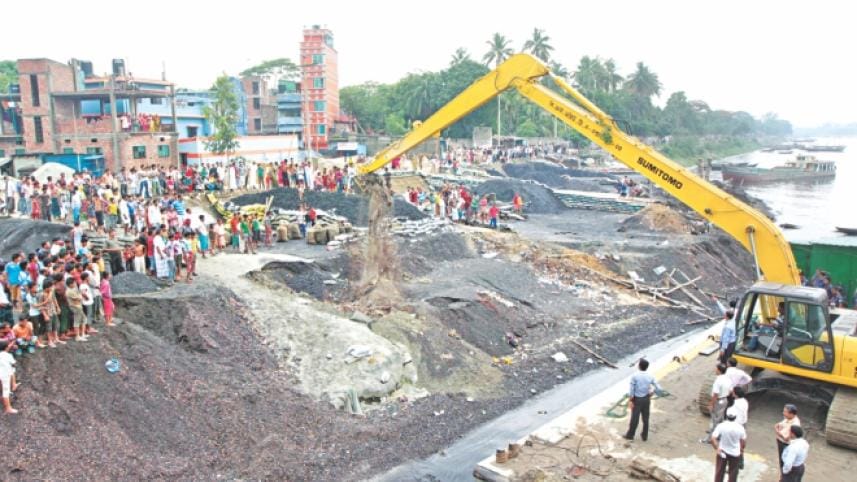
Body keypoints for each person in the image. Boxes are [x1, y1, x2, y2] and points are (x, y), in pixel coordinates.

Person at [624, 358, 662, 441]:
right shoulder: (650, 376)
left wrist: (630, 400)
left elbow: (632, 390)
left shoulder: (635, 376)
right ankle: (644, 436)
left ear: (639, 366)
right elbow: (659, 388)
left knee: (635, 418)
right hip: (646, 399)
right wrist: (652, 392)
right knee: (645, 418)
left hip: (637, 400)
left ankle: (630, 435)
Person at [710, 406, 746, 482]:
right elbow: (743, 442)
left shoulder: (721, 426)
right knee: (733, 473)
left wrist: (717, 448)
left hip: (722, 451)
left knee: (719, 472)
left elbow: (713, 438)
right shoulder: (740, 428)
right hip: (735, 453)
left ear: (726, 415)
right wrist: (741, 450)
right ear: (735, 417)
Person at [703, 363, 733, 443]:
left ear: (719, 370)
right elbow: (730, 391)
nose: (715, 370)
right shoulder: (728, 379)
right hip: (724, 400)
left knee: (714, 421)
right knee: (720, 418)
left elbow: (715, 394)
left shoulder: (718, 380)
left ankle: (710, 439)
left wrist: (711, 404)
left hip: (718, 401)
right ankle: (720, 434)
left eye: (716, 369)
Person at [775, 404, 801, 474]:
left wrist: (778, 432)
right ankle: (782, 475)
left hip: (786, 444)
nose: (783, 413)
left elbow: (787, 438)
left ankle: (784, 476)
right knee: (782, 460)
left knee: (785, 461)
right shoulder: (788, 418)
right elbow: (779, 424)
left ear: (791, 414)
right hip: (781, 441)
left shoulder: (795, 424)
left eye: (785, 412)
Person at [0, 342, 19, 414]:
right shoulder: (8, 355)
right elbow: (13, 363)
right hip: (5, 375)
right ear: (6, 347)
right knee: (6, 391)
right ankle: (8, 408)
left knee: (1, 385)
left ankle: (2, 397)